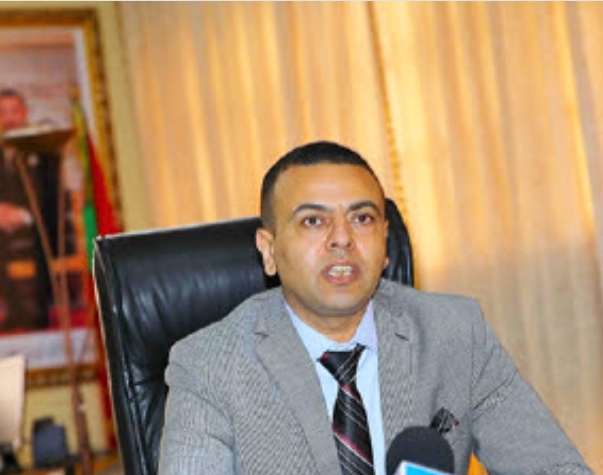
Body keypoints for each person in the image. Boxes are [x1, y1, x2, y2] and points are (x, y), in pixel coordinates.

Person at [158, 141, 593, 475]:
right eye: (313, 221)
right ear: (268, 250)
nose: (341, 238)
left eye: (362, 218)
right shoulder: (208, 365)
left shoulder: (455, 333)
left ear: (385, 241)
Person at [0, 88, 63, 331]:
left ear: (25, 113)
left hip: (39, 224)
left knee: (36, 239)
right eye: (3, 113)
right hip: (3, 226)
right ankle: (10, 311)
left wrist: (25, 215)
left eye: (14, 111)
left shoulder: (44, 150)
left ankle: (37, 312)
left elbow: (51, 197)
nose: (9, 118)